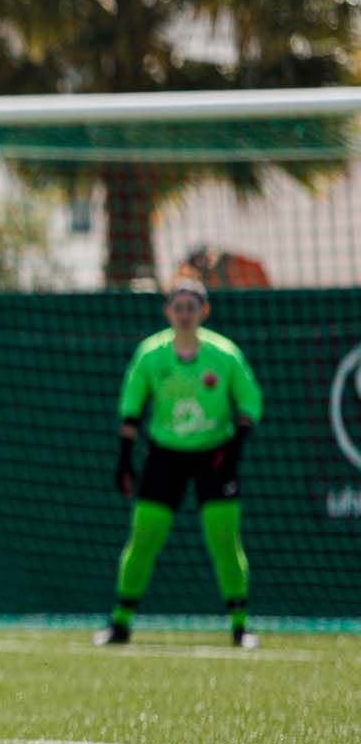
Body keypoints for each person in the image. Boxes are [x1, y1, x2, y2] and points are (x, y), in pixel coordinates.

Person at [95, 273, 264, 648]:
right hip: (164, 456)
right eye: (178, 306)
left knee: (224, 541)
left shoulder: (224, 355)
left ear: (204, 311)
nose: (184, 314)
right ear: (167, 311)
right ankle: (120, 624)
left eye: (192, 307)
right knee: (143, 539)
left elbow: (250, 403)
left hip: (214, 457)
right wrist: (124, 459)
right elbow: (131, 409)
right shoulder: (151, 355)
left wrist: (234, 448)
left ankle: (240, 627)